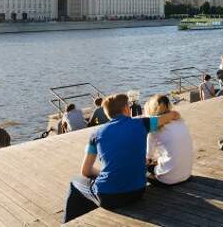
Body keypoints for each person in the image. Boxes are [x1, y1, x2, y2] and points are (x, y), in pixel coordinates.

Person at [62, 93, 180, 223]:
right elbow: (170, 116)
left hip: (108, 196)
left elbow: (85, 171)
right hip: (138, 191)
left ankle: (67, 223)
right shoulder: (143, 123)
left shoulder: (96, 134)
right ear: (126, 109)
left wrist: (103, 174)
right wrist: (175, 115)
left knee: (75, 182)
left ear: (108, 114)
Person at [145, 94, 193, 185]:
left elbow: (148, 157)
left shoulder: (154, 131)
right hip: (186, 175)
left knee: (145, 167)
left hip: (168, 180)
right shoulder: (180, 121)